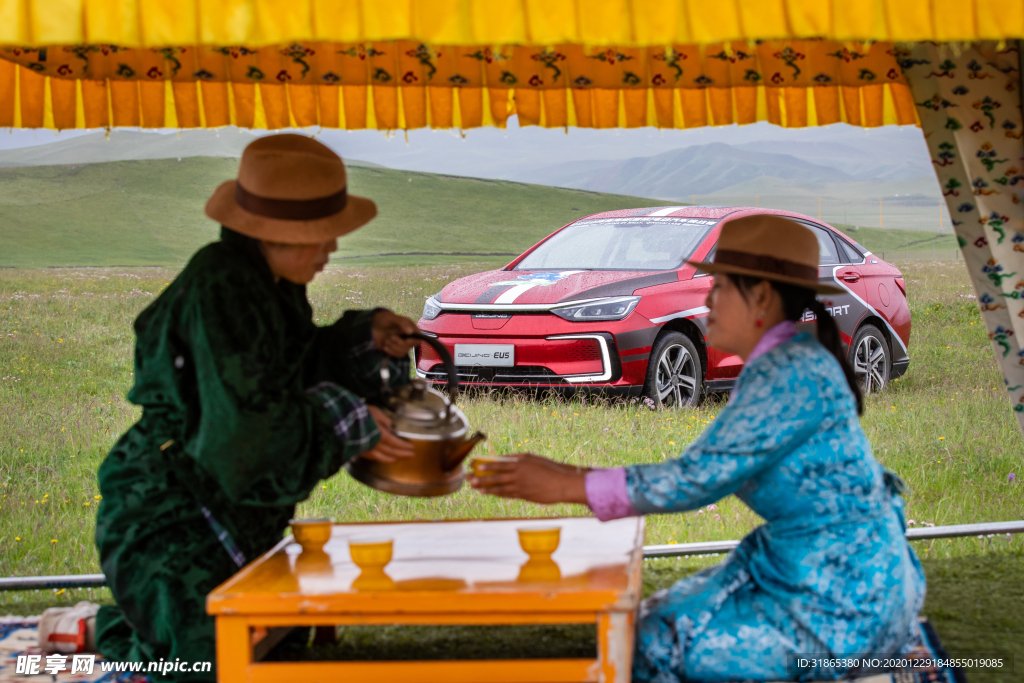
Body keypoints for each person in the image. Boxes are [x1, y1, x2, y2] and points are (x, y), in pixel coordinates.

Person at [471, 215, 925, 682]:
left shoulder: (789, 375)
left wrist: (567, 483)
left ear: (762, 299)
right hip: (811, 563)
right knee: (652, 621)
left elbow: (695, 478)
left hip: (845, 591)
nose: (707, 299)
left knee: (652, 646)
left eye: (720, 286)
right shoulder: (786, 361)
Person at [94, 134, 418, 680]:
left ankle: (126, 631)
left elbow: (288, 366)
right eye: (319, 236)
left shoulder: (268, 283)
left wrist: (365, 335)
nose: (331, 248)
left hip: (227, 509)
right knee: (206, 664)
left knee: (275, 644)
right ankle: (117, 635)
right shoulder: (221, 286)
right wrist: (346, 418)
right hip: (172, 517)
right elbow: (243, 436)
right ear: (271, 235)